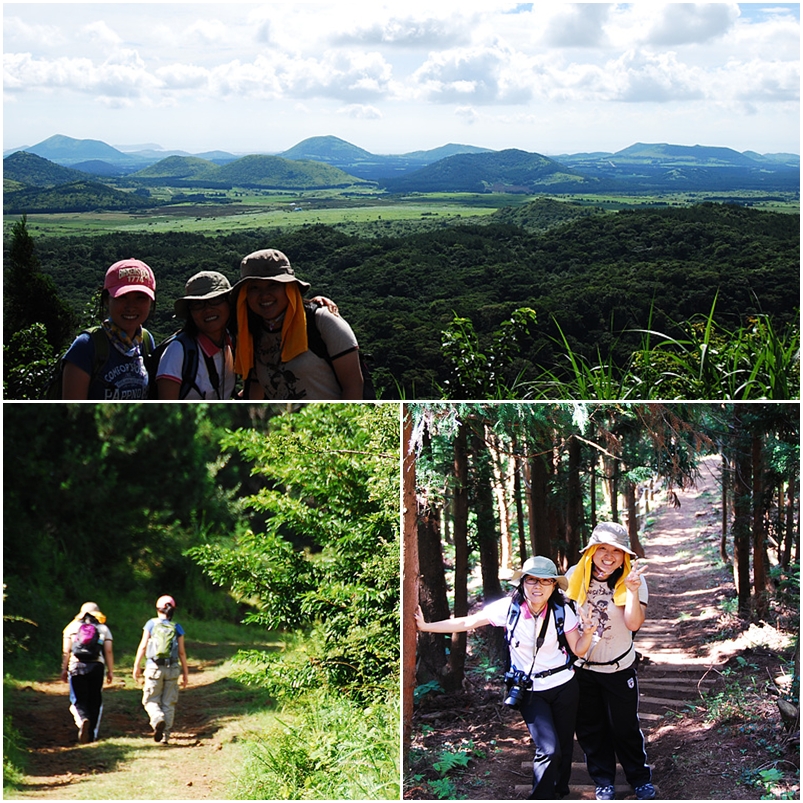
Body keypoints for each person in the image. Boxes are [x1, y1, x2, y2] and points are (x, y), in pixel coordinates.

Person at [415, 556, 596, 800]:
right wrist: (427, 627)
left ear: (554, 585)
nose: (537, 587)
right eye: (532, 580)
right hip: (531, 690)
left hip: (564, 686)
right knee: (549, 749)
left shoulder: (563, 611)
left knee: (563, 746)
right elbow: (468, 621)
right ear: (522, 583)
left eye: (545, 581)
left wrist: (589, 633)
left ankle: (560, 792)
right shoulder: (508, 608)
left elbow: (578, 649)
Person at [565, 522, 655, 801]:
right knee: (590, 728)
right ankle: (603, 780)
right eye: (602, 548)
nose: (608, 555)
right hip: (582, 669)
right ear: (590, 551)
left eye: (616, 550)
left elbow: (633, 623)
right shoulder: (573, 577)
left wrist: (631, 591)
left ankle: (639, 779)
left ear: (625, 556)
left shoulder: (633, 579)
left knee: (624, 726)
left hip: (618, 668)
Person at [231, 248, 364, 400]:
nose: (264, 295)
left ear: (289, 288)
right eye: (254, 288)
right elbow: (255, 394)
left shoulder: (322, 321)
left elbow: (354, 386)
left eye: (273, 285)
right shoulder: (250, 335)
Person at [62, 258, 156, 399]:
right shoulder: (86, 347)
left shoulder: (146, 342)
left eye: (140, 298)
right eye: (122, 297)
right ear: (107, 300)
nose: (131, 306)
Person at [156, 271, 237, 399]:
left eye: (215, 300)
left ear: (229, 303)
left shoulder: (231, 343)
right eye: (198, 304)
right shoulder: (178, 351)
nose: (208, 309)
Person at [132, 595, 189, 745]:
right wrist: (186, 673)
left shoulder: (151, 624)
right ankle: (165, 736)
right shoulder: (177, 627)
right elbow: (182, 652)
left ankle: (157, 718)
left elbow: (143, 646)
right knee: (168, 703)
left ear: (157, 608)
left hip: (153, 667)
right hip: (172, 668)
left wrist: (137, 665)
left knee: (150, 700)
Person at [61, 602, 114, 744]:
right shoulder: (103, 628)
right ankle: (91, 735)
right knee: (95, 700)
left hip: (76, 666)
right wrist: (110, 671)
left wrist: (64, 670)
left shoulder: (71, 628)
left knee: (78, 700)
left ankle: (82, 720)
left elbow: (66, 651)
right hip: (97, 666)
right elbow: (108, 651)